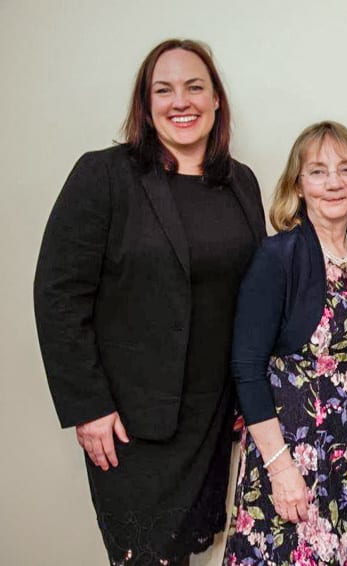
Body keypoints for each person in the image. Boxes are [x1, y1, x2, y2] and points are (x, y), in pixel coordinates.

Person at [33, 39, 265, 565]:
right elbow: (58, 294)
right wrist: (87, 406)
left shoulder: (240, 182)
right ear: (146, 104)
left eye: (194, 87)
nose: (180, 101)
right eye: (164, 90)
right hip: (132, 423)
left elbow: (252, 295)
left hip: (212, 416)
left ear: (216, 101)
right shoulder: (105, 176)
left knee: (187, 553)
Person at [224, 121, 347, 565]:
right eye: (318, 171)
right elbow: (247, 369)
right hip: (292, 459)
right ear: (298, 184)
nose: (334, 183)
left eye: (346, 169)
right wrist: (281, 468)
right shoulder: (278, 257)